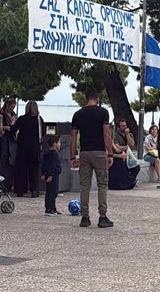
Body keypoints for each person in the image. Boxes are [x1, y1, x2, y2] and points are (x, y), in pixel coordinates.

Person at [70, 88, 114, 228]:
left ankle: (85, 216)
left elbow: (73, 138)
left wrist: (72, 156)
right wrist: (111, 153)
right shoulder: (103, 113)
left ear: (85, 98)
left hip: (85, 152)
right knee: (102, 184)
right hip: (99, 151)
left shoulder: (77, 115)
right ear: (98, 98)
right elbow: (106, 135)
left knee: (84, 185)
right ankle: (102, 216)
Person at [13, 102, 45, 197]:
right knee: (34, 170)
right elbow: (43, 132)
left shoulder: (22, 119)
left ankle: (20, 190)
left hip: (22, 147)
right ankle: (34, 190)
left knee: (21, 169)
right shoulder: (39, 120)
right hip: (34, 148)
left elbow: (14, 129)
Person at [109, 118, 138, 190]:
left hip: (128, 156)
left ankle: (130, 181)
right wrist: (126, 147)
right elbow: (117, 147)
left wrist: (127, 134)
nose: (124, 127)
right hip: (118, 155)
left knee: (136, 167)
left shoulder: (129, 134)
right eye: (122, 126)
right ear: (118, 127)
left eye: (125, 126)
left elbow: (132, 144)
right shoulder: (115, 135)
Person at [42, 134, 63, 215]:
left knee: (49, 192)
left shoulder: (46, 153)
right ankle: (51, 208)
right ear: (55, 144)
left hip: (47, 174)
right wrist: (51, 175)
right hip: (53, 175)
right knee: (53, 192)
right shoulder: (55, 154)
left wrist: (43, 173)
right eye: (59, 143)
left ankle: (49, 208)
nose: (60, 144)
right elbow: (53, 165)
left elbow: (45, 164)